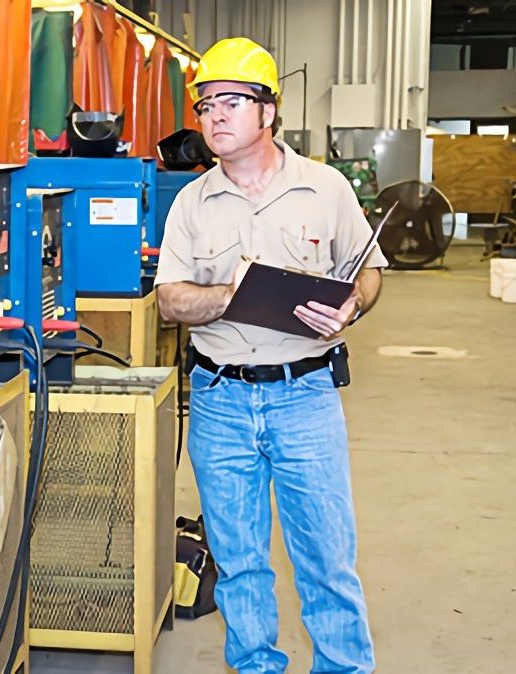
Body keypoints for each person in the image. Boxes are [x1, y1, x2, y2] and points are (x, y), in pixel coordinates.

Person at [155, 37, 386, 673]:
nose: (215, 117)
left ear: (269, 111)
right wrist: (230, 297)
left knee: (326, 559)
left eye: (231, 102)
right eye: (205, 105)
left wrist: (353, 305)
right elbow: (170, 299)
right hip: (220, 400)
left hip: (305, 396)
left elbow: (369, 272)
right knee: (239, 563)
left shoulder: (326, 188)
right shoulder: (190, 202)